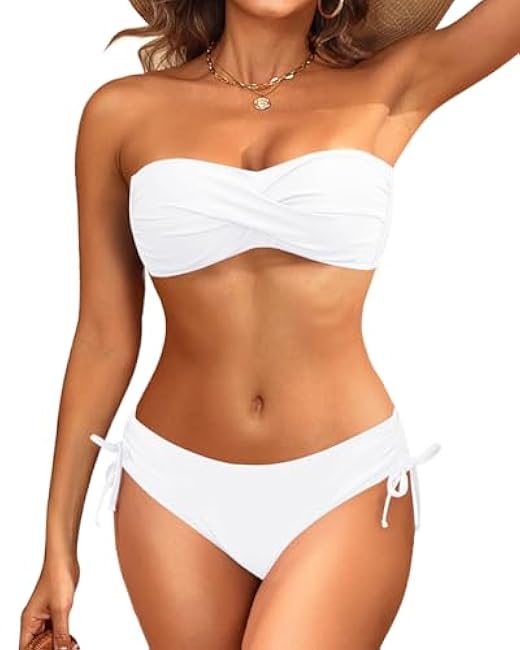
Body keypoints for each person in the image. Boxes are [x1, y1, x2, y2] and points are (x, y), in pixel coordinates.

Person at [19, 1, 519, 649]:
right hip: (172, 492)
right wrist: (57, 548)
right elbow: (103, 338)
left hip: (343, 482)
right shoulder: (120, 112)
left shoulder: (391, 84)